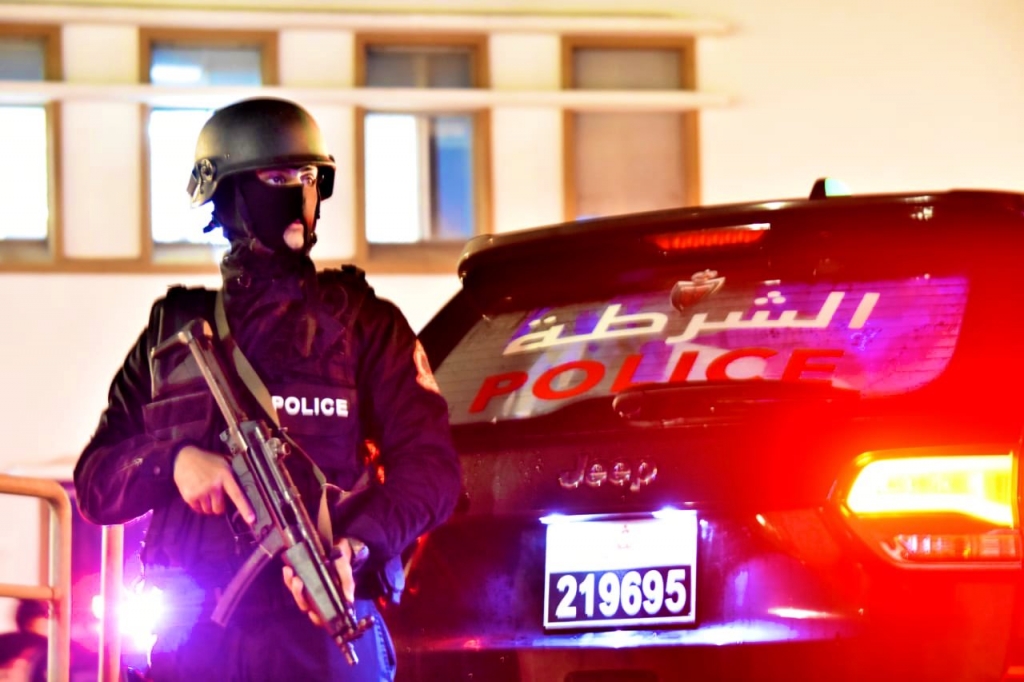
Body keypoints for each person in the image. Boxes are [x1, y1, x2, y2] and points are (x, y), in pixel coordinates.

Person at [73, 97, 462, 681]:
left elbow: (433, 472)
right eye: (277, 179)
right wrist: (173, 462)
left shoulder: (364, 324)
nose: (298, 195)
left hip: (320, 623)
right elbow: (94, 483)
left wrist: (355, 546)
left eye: (309, 178)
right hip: (193, 633)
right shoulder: (173, 330)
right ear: (228, 195)